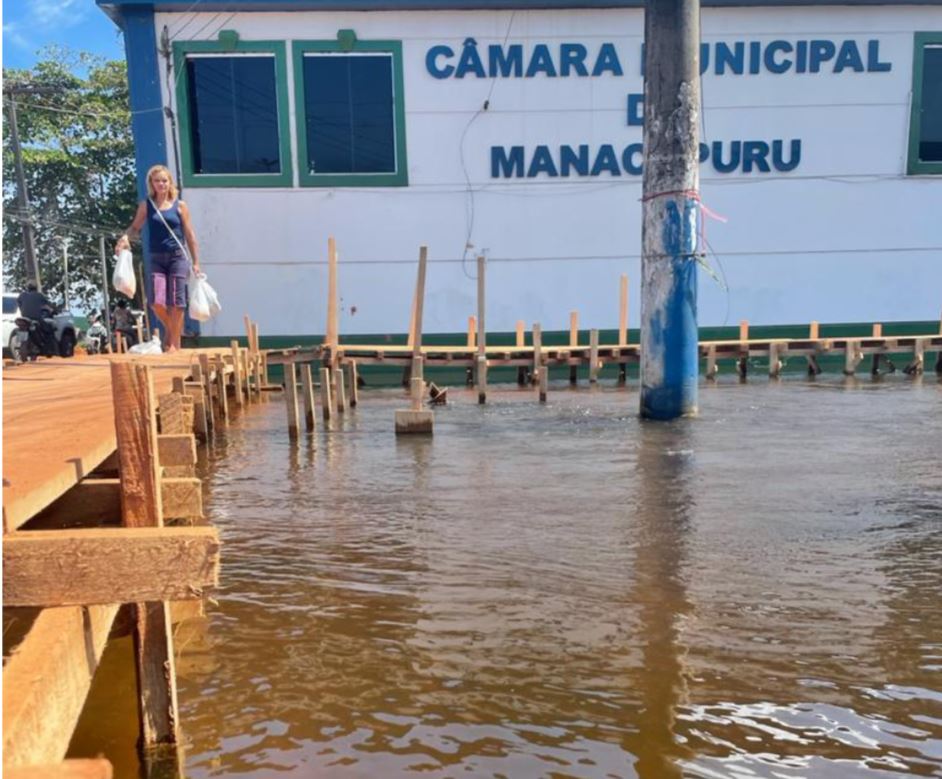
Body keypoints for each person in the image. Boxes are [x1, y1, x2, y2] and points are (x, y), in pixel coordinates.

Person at [115, 164, 200, 353]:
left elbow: (189, 233)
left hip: (177, 256)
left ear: (169, 182)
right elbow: (135, 227)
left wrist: (196, 262)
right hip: (156, 257)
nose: (161, 184)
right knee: (157, 303)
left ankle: (173, 346)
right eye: (157, 181)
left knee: (177, 303)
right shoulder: (147, 205)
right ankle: (174, 333)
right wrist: (125, 238)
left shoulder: (180, 206)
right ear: (151, 184)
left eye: (164, 180)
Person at [17, 281, 57, 351]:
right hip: (36, 318)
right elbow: (47, 306)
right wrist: (52, 310)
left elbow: (19, 303)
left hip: (24, 318)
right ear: (36, 288)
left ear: (27, 288)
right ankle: (47, 347)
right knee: (49, 329)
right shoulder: (39, 295)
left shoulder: (22, 295)